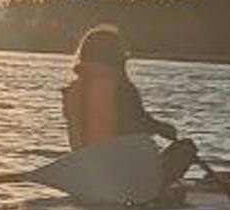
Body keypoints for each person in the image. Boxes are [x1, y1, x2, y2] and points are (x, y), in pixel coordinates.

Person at [62, 24, 193, 193]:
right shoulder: (121, 87)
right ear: (116, 55)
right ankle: (152, 192)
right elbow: (136, 124)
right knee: (186, 148)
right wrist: (163, 128)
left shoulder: (73, 91)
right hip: (125, 176)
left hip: (89, 175)